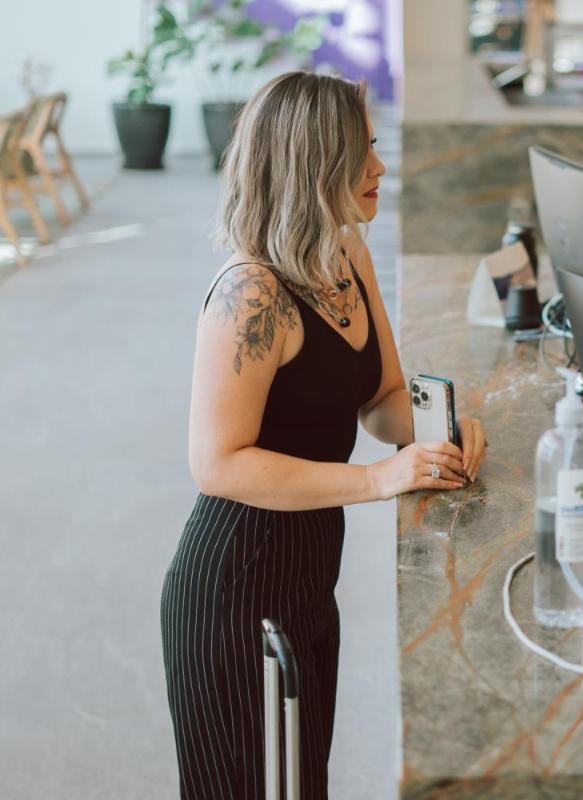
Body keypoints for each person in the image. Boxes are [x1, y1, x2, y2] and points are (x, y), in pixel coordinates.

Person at [160, 72, 488, 799]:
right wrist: (378, 479)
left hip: (309, 573)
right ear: (313, 165)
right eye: (359, 152)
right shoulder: (251, 293)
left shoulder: (346, 254)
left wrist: (439, 431)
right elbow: (217, 464)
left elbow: (382, 399)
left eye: (373, 146)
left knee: (303, 785)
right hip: (236, 592)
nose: (380, 166)